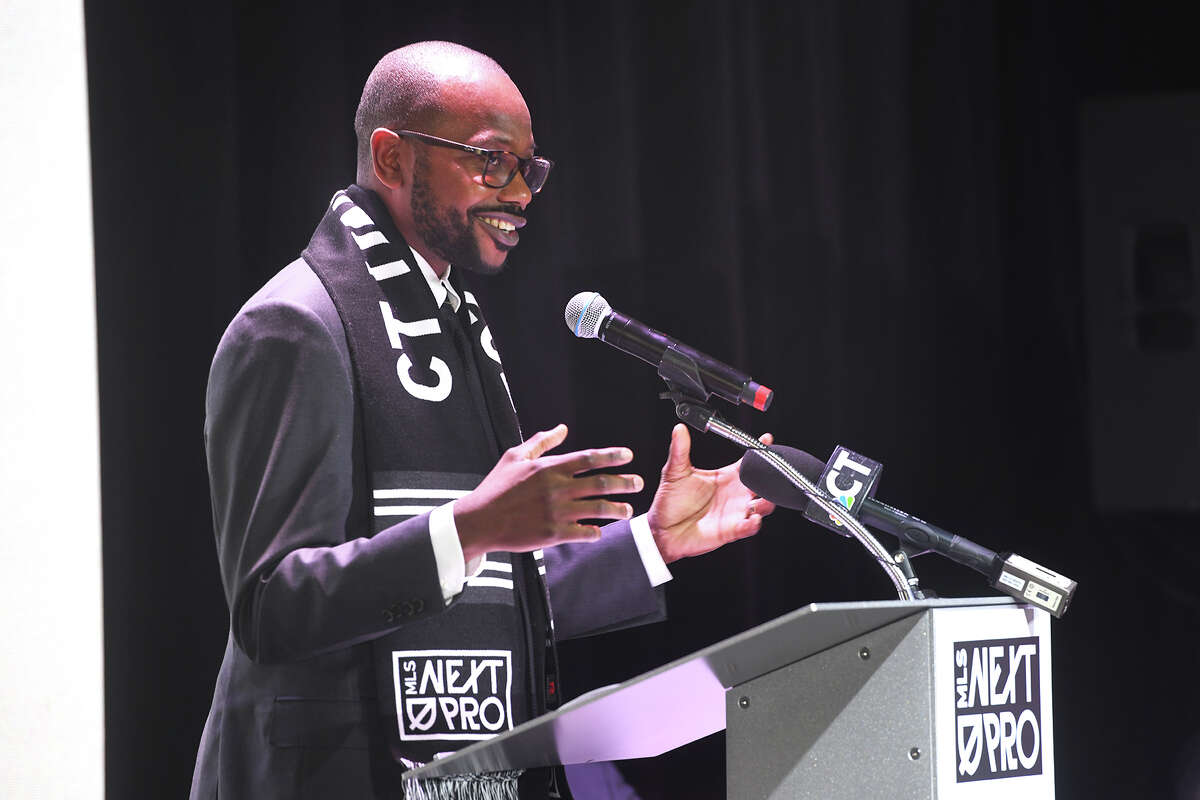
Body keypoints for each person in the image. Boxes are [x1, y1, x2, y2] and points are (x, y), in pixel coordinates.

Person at [190, 41, 774, 800]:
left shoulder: (455, 325)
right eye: (491, 160)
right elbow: (272, 607)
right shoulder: (296, 326)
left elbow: (480, 600)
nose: (523, 192)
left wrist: (651, 541)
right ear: (393, 159)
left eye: (529, 169)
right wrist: (474, 528)